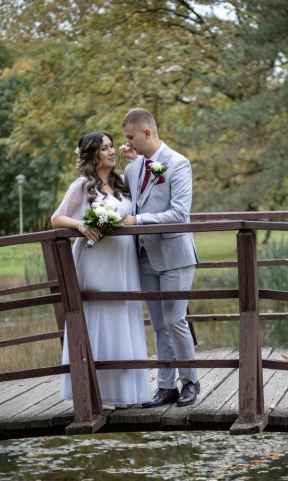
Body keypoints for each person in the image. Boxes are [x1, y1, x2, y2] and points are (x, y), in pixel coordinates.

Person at [51, 131, 151, 408]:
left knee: (123, 315)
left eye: (111, 147)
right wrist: (80, 225)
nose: (111, 151)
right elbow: (57, 218)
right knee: (100, 316)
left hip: (123, 259)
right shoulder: (83, 186)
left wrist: (138, 158)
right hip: (96, 259)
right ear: (92, 154)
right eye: (105, 148)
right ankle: (97, 390)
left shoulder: (121, 184)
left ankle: (125, 392)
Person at [119, 108, 200, 408]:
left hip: (174, 255)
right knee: (158, 325)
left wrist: (138, 221)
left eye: (130, 138)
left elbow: (180, 213)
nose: (127, 143)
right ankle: (166, 387)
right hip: (143, 256)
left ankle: (190, 382)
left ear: (146, 133)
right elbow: (130, 199)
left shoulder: (178, 164)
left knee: (175, 319)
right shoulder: (133, 169)